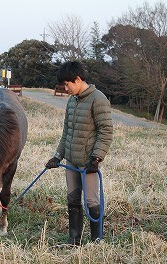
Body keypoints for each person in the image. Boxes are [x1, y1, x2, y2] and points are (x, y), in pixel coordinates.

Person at [45, 61, 113, 245]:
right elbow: (66, 133)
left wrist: (96, 158)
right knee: (72, 199)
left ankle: (96, 241)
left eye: (67, 84)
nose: (65, 88)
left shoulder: (98, 99)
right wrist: (57, 156)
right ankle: (74, 239)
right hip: (71, 161)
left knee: (91, 201)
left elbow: (106, 131)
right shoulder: (72, 101)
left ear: (77, 79)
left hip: (88, 162)